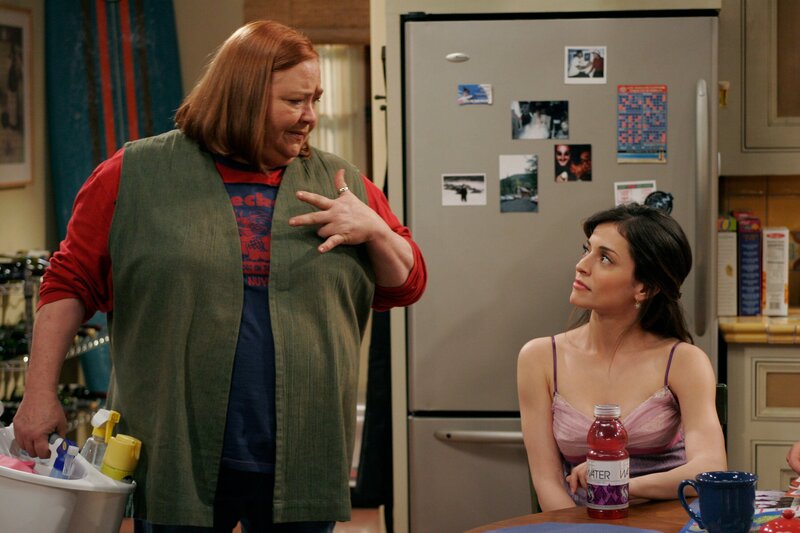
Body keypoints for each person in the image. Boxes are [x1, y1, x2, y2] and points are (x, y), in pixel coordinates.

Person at [13, 20, 427, 532]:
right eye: (295, 101)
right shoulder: (134, 175)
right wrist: (38, 393)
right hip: (173, 450)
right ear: (243, 98)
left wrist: (376, 231)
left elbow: (408, 283)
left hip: (304, 451)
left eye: (315, 99)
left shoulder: (342, 183)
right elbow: (69, 283)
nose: (311, 117)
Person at [517, 203, 726, 511]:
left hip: (668, 523)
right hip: (579, 525)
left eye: (605, 258)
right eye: (587, 250)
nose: (581, 265)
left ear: (645, 288)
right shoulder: (539, 358)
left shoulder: (684, 361)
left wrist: (617, 485)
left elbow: (710, 468)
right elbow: (547, 482)